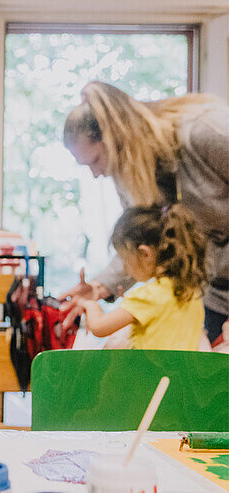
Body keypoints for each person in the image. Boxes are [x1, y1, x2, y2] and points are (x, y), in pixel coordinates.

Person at [61, 81, 228, 348]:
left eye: (95, 161)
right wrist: (100, 287)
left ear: (116, 137)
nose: (96, 174)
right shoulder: (135, 176)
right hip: (211, 295)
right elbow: (142, 242)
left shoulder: (204, 132)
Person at [79, 205, 206, 350]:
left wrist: (90, 305)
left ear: (145, 254)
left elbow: (99, 327)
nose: (125, 268)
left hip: (151, 366)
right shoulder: (191, 291)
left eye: (125, 259)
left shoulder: (148, 295)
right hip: (182, 365)